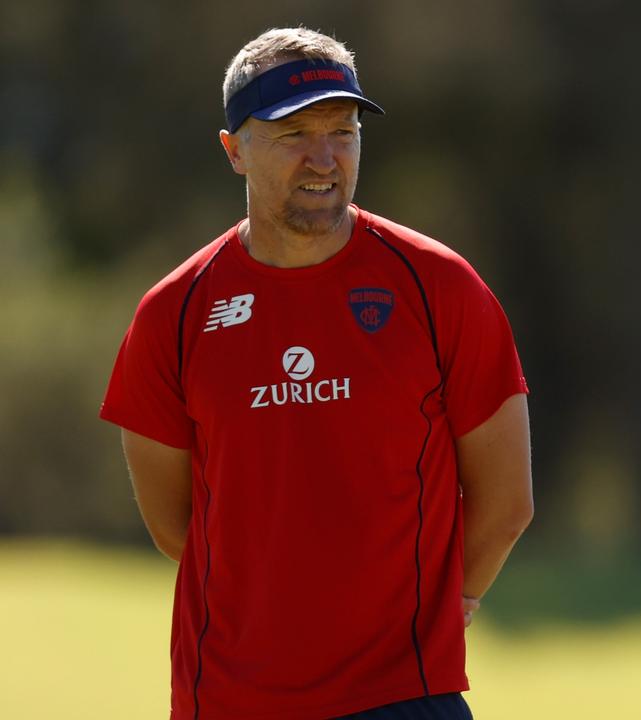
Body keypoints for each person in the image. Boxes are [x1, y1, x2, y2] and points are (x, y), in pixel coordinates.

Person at [100, 27, 533, 720]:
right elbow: (175, 523)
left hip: (401, 696)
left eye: (343, 130)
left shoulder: (440, 287)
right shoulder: (172, 313)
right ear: (234, 149)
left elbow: (507, 501)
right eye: (293, 133)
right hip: (228, 698)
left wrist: (445, 605)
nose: (325, 157)